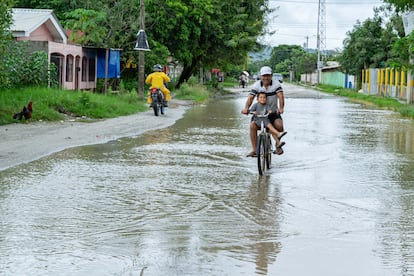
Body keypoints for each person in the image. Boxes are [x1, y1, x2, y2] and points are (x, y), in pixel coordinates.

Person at [241, 66, 286, 157]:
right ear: (261, 76)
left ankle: (277, 145)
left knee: (279, 126)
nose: (266, 78)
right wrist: (246, 108)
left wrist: (281, 108)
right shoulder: (256, 85)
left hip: (272, 113)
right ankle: (255, 150)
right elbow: (250, 98)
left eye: (268, 76)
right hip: (259, 114)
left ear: (271, 76)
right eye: (264, 76)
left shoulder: (276, 85)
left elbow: (281, 96)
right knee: (252, 126)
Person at [248, 92, 287, 156]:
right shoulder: (255, 105)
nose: (262, 99)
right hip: (257, 120)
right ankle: (255, 150)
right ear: (257, 99)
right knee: (252, 125)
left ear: (266, 99)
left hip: (266, 120)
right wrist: (252, 112)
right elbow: (250, 111)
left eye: (264, 98)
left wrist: (270, 111)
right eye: (260, 97)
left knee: (270, 127)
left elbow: (269, 110)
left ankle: (278, 139)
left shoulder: (267, 105)